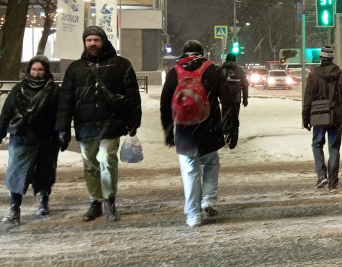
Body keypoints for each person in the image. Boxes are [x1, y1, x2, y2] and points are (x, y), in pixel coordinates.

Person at [56, 25, 142, 222]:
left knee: (107, 161)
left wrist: (134, 121)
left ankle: (109, 200)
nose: (92, 43)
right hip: (85, 125)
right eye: (89, 40)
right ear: (84, 43)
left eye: (96, 40)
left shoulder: (121, 65)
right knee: (90, 165)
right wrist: (62, 127)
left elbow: (133, 96)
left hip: (111, 124)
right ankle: (95, 201)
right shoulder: (75, 68)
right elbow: (65, 101)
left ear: (103, 41)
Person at [160, 40, 238, 228]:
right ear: (201, 53)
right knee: (211, 162)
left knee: (190, 170)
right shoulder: (212, 70)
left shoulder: (175, 72)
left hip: (185, 130)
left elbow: (165, 103)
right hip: (210, 128)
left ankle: (193, 214)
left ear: (184, 53)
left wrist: (168, 130)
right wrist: (231, 127)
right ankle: (208, 199)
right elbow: (228, 101)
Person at [0, 56, 61, 225]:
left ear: (46, 71)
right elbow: (7, 111)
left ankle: (43, 202)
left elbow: (61, 115)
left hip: (47, 138)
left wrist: (62, 132)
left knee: (45, 171)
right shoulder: (19, 89)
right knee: (17, 172)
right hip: (22, 137)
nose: (36, 73)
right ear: (29, 70)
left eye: (40, 70)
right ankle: (14, 209)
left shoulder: (54, 90)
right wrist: (0, 130)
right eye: (33, 69)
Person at [302, 45, 342, 190]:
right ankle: (333, 180)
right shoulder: (341, 74)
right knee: (334, 148)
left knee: (317, 145)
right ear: (332, 58)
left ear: (321, 59)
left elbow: (308, 98)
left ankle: (322, 175)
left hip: (319, 117)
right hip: (336, 117)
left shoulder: (314, 75)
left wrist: (306, 117)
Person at [219, 53, 249, 133]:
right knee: (235, 114)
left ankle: (225, 129)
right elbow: (245, 85)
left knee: (225, 114)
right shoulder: (240, 70)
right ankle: (234, 130)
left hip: (224, 98)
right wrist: (245, 98)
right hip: (236, 98)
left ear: (226, 60)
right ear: (235, 60)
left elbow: (217, 83)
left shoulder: (221, 69)